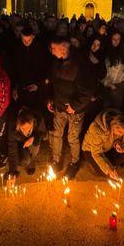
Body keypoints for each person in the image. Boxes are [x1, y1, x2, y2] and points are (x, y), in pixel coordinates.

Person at [47, 36, 94, 172]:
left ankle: (75, 162)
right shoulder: (56, 62)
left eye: (54, 48)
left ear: (63, 49)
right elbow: (53, 83)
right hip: (59, 106)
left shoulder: (81, 64)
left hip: (75, 110)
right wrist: (51, 99)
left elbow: (87, 90)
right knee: (57, 134)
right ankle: (56, 160)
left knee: (72, 138)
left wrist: (74, 106)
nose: (51, 51)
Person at [66, 109, 124, 180]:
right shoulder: (97, 129)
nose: (121, 135)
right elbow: (97, 153)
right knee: (106, 173)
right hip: (90, 151)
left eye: (123, 134)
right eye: (120, 133)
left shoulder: (119, 128)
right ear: (115, 127)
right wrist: (108, 170)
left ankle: (108, 164)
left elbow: (116, 138)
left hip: (106, 148)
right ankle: (106, 165)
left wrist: (117, 144)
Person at [9, 25, 46, 111]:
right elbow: (13, 69)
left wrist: (38, 84)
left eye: (29, 40)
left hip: (35, 88)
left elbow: (44, 69)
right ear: (21, 36)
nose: (26, 43)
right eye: (24, 40)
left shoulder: (39, 49)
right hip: (20, 87)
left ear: (33, 37)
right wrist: (14, 87)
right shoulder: (16, 49)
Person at [6, 107, 46, 180]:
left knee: (35, 145)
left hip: (34, 140)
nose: (26, 132)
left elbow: (44, 134)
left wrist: (34, 138)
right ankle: (25, 158)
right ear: (18, 125)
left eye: (28, 128)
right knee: (24, 161)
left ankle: (32, 161)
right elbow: (12, 147)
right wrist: (12, 172)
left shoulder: (38, 118)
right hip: (21, 142)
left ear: (33, 122)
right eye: (23, 129)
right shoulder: (13, 125)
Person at [100, 30, 124, 109]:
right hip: (106, 83)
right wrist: (106, 82)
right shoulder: (106, 49)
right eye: (113, 39)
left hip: (119, 84)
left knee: (116, 107)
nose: (116, 41)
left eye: (118, 39)